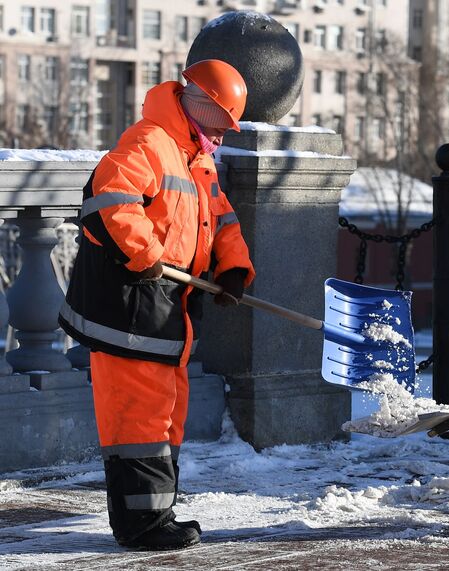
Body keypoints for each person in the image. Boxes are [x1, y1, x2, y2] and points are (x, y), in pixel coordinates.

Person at [59, 59, 255, 551]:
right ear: (200, 107)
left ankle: (157, 511)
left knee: (167, 414)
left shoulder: (196, 156)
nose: (222, 137)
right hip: (129, 307)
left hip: (170, 308)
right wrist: (144, 253)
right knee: (138, 419)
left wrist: (233, 267)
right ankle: (141, 525)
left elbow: (220, 217)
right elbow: (108, 203)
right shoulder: (148, 142)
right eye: (220, 125)